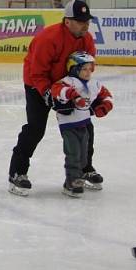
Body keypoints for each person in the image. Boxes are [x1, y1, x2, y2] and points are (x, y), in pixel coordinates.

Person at [8, 0, 99, 196]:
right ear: (67, 21)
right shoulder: (48, 38)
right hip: (37, 84)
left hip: (68, 85)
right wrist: (48, 94)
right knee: (35, 129)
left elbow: (88, 68)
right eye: (80, 20)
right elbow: (37, 72)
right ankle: (17, 172)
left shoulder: (87, 39)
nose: (86, 24)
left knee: (84, 125)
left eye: (87, 20)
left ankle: (84, 169)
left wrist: (85, 91)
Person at [50, 52, 113, 198]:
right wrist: (73, 95)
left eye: (90, 69)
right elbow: (56, 89)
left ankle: (80, 176)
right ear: (74, 69)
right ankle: (71, 182)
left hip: (84, 124)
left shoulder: (94, 84)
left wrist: (105, 106)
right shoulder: (68, 81)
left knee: (84, 155)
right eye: (84, 69)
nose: (88, 72)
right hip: (68, 125)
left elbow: (107, 95)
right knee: (73, 153)